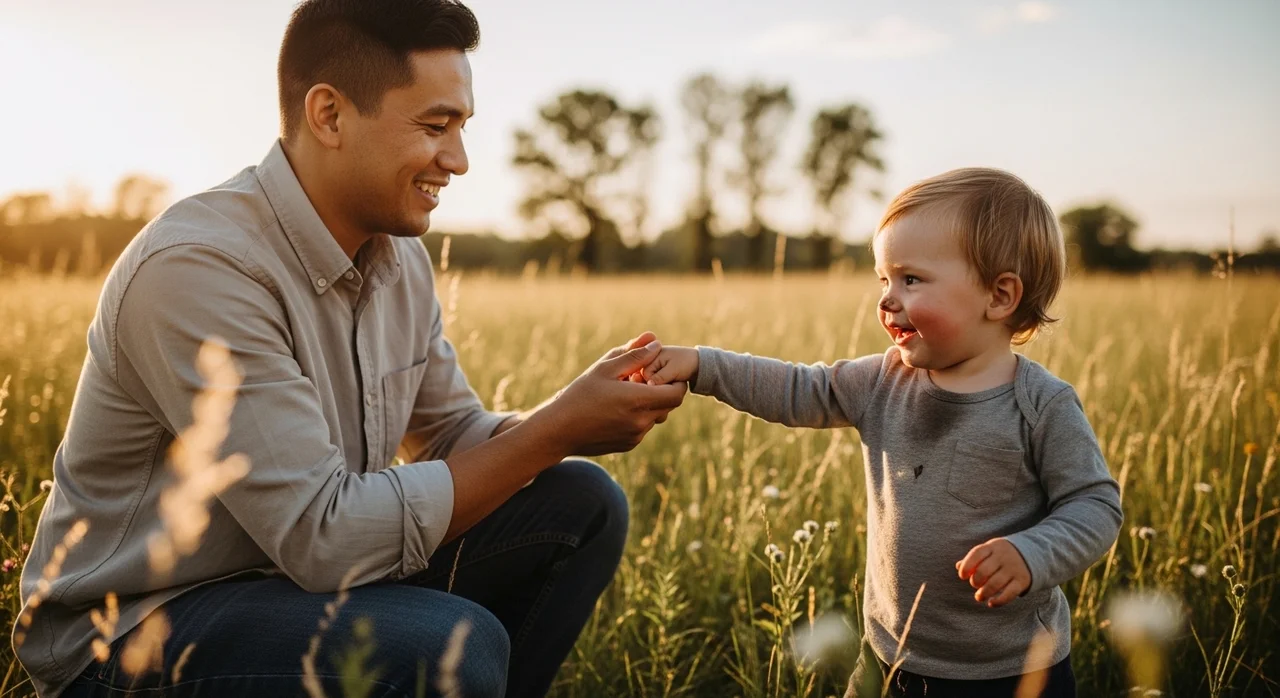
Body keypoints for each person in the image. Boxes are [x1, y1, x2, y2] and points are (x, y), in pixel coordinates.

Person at [15, 1, 686, 696]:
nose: (457, 160)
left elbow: (451, 434)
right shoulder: (198, 268)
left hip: (289, 590)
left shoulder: (400, 260)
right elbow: (322, 536)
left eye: (461, 126)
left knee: (582, 502)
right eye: (435, 125)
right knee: (449, 647)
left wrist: (577, 410)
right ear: (329, 116)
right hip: (129, 635)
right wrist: (554, 431)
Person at [638, 168, 1123, 698]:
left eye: (911, 279)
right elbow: (799, 387)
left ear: (1000, 295)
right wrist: (701, 365)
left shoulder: (1041, 405)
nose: (888, 299)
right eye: (883, 279)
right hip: (889, 654)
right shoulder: (883, 380)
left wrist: (1033, 552)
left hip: (1013, 670)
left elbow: (1094, 505)